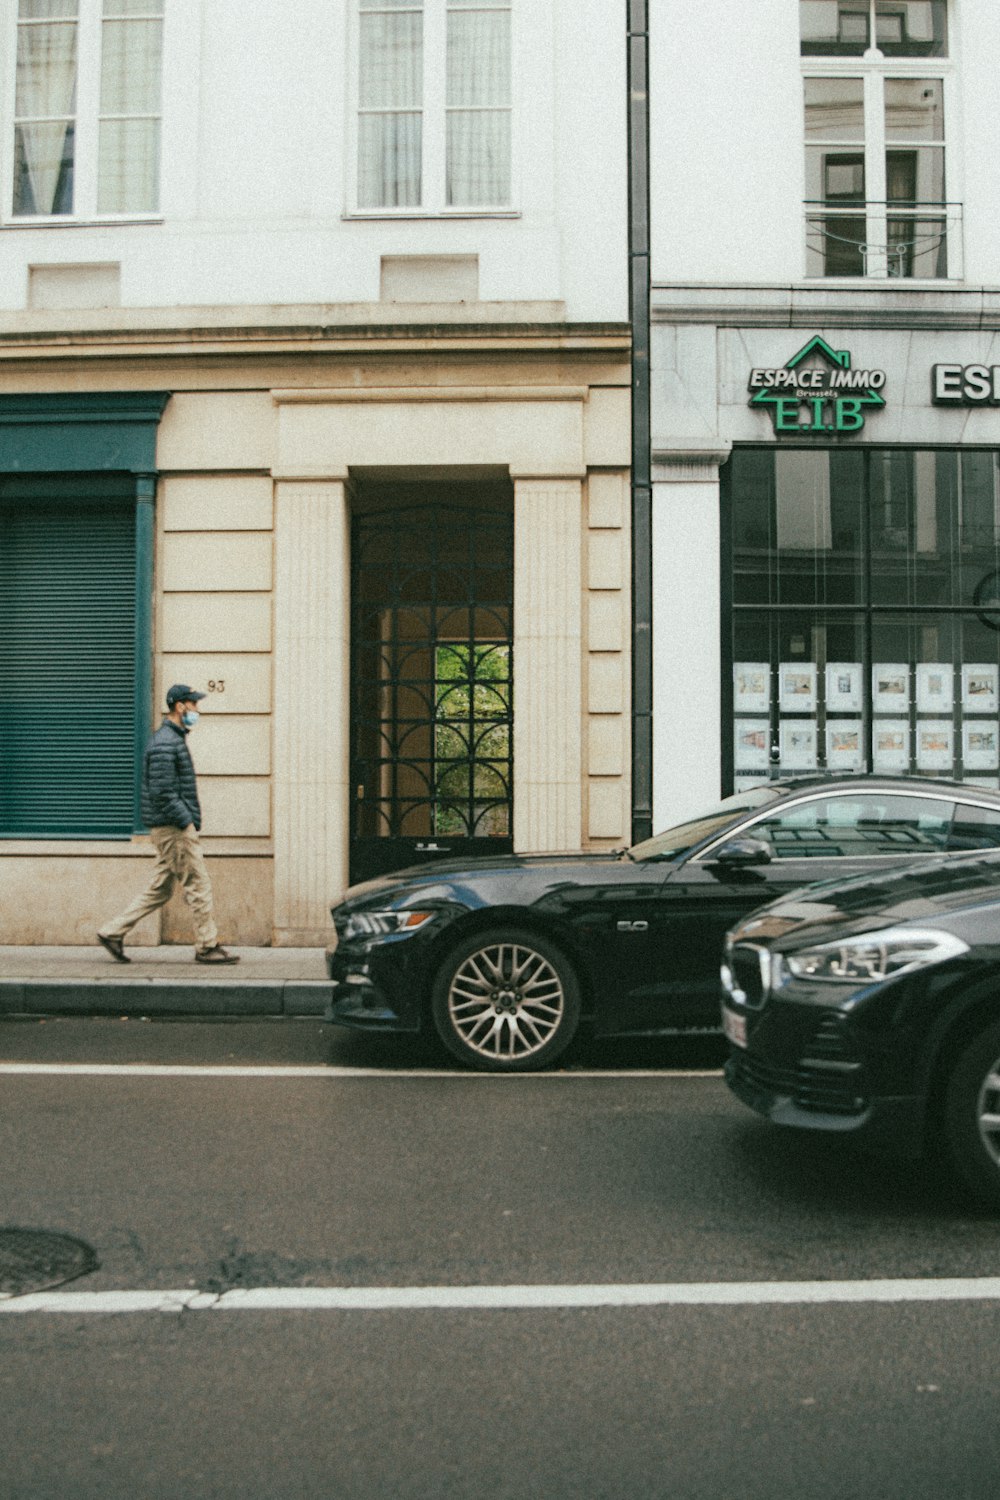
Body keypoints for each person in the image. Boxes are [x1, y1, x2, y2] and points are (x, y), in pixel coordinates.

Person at [97, 685, 239, 965]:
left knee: (160, 888)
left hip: (167, 825)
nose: (197, 710)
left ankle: (112, 932)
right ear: (180, 706)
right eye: (193, 704)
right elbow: (162, 791)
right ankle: (207, 946)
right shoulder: (166, 742)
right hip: (173, 827)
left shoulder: (171, 739)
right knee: (198, 882)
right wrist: (185, 820)